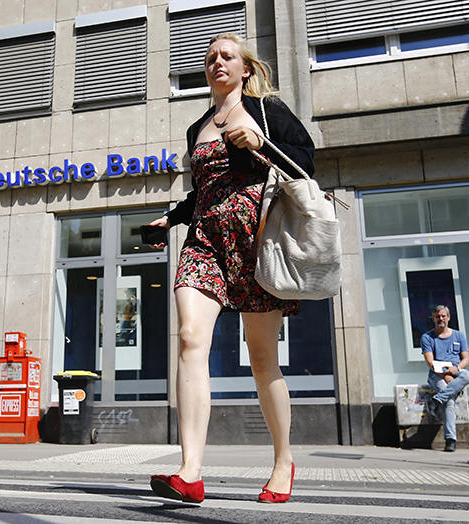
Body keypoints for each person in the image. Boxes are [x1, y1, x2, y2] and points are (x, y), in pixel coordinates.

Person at [146, 33, 314, 504]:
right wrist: (172, 217)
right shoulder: (197, 127)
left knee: (261, 358)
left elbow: (305, 162)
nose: (218, 62)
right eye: (211, 58)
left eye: (228, 56)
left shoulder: (267, 111)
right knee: (189, 338)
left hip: (256, 240)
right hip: (205, 241)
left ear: (245, 69)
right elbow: (204, 190)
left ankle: (283, 460)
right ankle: (190, 471)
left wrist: (262, 144)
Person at [421, 305, 469, 452]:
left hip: (455, 370)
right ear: (433, 319)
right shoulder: (427, 337)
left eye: (443, 316)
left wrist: (456, 369)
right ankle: (451, 439)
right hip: (437, 374)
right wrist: (446, 376)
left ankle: (437, 400)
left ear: (448, 317)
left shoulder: (459, 336)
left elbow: (466, 358)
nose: (441, 319)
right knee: (449, 400)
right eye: (437, 316)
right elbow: (430, 362)